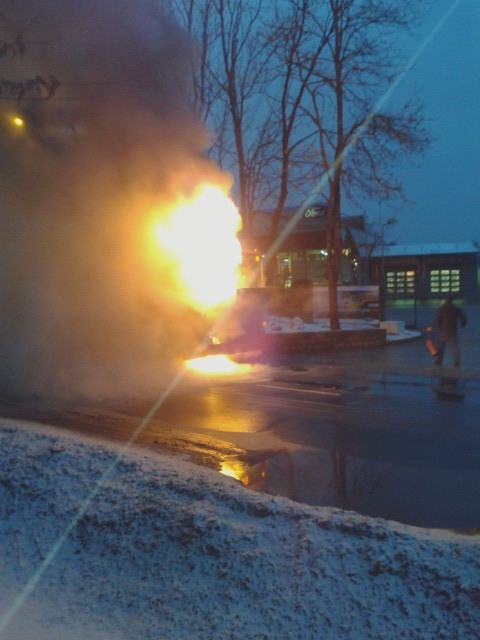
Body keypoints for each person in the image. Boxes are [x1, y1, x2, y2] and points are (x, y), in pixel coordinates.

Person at [428, 296, 467, 367]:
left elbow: (436, 319)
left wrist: (432, 327)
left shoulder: (441, 309)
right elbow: (463, 318)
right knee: (454, 347)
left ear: (445, 301)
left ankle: (439, 361)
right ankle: (456, 361)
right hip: (453, 331)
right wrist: (463, 324)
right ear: (452, 301)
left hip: (443, 331)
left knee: (441, 347)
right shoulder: (455, 309)